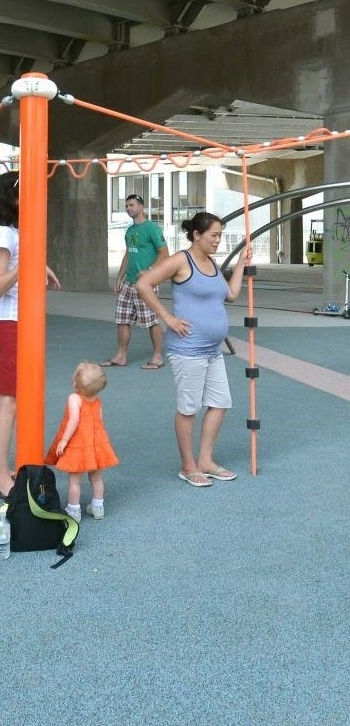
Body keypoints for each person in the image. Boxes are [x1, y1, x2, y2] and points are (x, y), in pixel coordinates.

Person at [137, 211, 251, 488]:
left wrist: (239, 266)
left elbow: (231, 295)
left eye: (220, 235)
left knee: (221, 402)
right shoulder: (180, 260)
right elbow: (144, 284)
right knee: (189, 408)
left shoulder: (212, 263)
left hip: (212, 350)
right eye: (214, 235)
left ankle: (206, 460)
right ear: (197, 235)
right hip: (187, 349)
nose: (218, 240)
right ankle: (188, 466)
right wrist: (168, 318)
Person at [0, 171, 62, 499]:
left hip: (15, 321)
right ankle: (3, 476)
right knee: (10, 401)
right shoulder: (3, 232)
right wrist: (29, 263)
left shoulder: (13, 231)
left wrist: (37, 266)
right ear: (12, 197)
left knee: (4, 399)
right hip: (11, 321)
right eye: (26, 192)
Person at [44, 360, 119, 520]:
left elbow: (74, 421)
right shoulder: (97, 401)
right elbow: (99, 420)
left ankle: (73, 510)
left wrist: (64, 440)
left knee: (74, 481)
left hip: (79, 444)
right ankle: (98, 507)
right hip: (96, 443)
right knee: (97, 478)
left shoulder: (74, 398)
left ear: (75, 383)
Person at [104, 194, 168, 370]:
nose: (128, 208)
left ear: (141, 207)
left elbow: (164, 253)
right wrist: (119, 278)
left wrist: (149, 271)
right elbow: (128, 254)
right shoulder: (129, 231)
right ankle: (121, 355)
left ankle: (157, 357)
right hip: (128, 283)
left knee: (151, 320)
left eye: (132, 205)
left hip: (146, 284)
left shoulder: (152, 228)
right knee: (122, 319)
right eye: (126, 206)